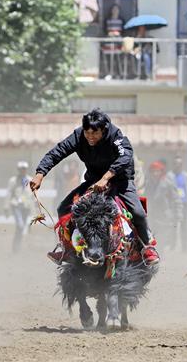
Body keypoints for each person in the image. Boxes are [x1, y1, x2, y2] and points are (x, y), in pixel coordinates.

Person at [30, 108, 159, 265]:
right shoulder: (78, 136)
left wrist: (106, 177)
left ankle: (147, 248)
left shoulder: (115, 136)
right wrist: (40, 174)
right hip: (93, 182)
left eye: (95, 133)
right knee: (62, 209)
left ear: (104, 130)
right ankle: (67, 249)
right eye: (87, 132)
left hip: (121, 182)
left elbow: (126, 156)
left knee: (138, 212)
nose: (90, 137)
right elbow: (56, 153)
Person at [5, 161, 34, 253]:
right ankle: (16, 246)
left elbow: (33, 192)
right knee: (20, 225)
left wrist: (36, 203)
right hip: (16, 205)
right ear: (18, 170)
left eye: (24, 169)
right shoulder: (13, 180)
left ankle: (16, 247)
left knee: (21, 227)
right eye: (21, 169)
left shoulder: (30, 180)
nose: (23, 171)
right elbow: (9, 193)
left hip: (26, 206)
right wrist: (6, 206)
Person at [170, 155, 187, 249]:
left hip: (184, 203)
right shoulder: (170, 176)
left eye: (179, 164)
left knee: (184, 226)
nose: (177, 166)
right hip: (174, 204)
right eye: (176, 164)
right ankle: (172, 245)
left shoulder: (185, 175)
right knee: (173, 226)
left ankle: (184, 246)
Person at [101, 4, 125, 79]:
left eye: (116, 10)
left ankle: (118, 74)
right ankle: (109, 73)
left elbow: (124, 31)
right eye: (114, 9)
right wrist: (109, 33)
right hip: (109, 42)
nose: (115, 11)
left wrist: (118, 33)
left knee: (117, 58)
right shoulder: (107, 20)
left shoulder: (121, 20)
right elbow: (104, 29)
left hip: (118, 42)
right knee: (109, 58)